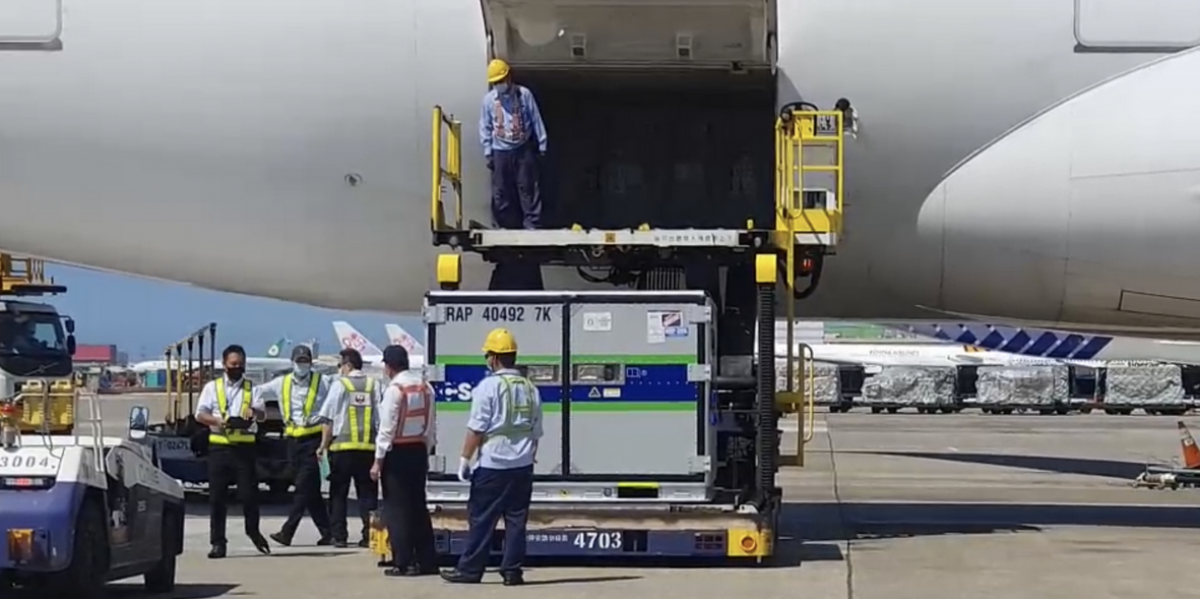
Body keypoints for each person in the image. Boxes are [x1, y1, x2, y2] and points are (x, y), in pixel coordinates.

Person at [440, 328, 543, 586]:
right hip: (522, 466)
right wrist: (529, 457)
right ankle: (512, 571)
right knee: (517, 521)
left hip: (493, 465)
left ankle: (470, 570)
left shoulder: (488, 387)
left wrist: (465, 459)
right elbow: (536, 431)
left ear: (495, 358)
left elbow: (477, 428)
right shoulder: (531, 389)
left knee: (482, 519)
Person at [194, 344, 271, 559]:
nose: (237, 368)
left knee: (249, 496)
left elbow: (263, 416)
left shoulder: (252, 388)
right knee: (217, 498)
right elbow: (200, 414)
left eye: (240, 364)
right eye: (233, 364)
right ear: (224, 364)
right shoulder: (212, 387)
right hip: (219, 447)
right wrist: (219, 421)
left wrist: (254, 412)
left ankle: (253, 531)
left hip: (244, 449)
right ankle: (218, 542)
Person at [373, 345, 438, 577]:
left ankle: (404, 561)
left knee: (397, 509)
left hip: (397, 453)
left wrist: (378, 460)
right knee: (418, 506)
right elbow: (431, 425)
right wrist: (427, 449)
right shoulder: (425, 387)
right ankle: (427, 559)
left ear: (389, 366)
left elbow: (386, 429)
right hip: (419, 450)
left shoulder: (395, 389)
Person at [259, 345, 333, 547]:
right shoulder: (281, 383)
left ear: (311, 363)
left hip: (313, 440)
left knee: (302, 488)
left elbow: (339, 394)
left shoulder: (323, 382)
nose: (302, 365)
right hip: (292, 442)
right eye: (299, 361)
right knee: (311, 491)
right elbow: (258, 392)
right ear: (292, 362)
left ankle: (287, 532)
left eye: (305, 361)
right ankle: (328, 532)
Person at [317, 348, 382, 548]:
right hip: (368, 449)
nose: (339, 370)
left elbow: (328, 419)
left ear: (348, 365)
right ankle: (368, 535)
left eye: (340, 365)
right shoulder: (374, 385)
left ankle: (339, 536)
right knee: (368, 496)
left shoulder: (340, 385)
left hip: (342, 449)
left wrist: (322, 446)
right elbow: (381, 419)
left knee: (338, 495)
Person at [480, 58, 548, 231]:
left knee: (528, 187)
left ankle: (532, 225)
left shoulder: (524, 94)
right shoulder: (489, 101)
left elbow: (535, 119)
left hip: (522, 148)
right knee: (501, 191)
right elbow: (485, 125)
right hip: (500, 150)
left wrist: (542, 144)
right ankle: (505, 225)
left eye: (501, 81)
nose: (499, 85)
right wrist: (488, 151)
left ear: (509, 77)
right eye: (495, 83)